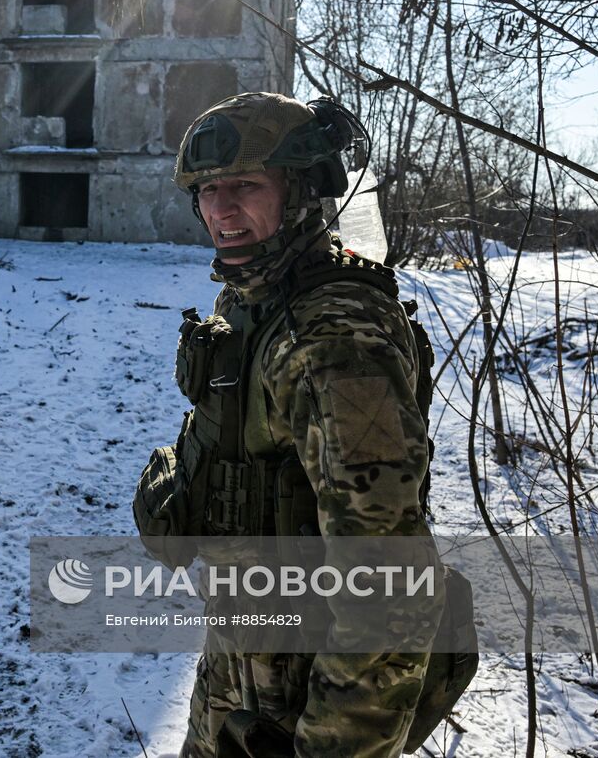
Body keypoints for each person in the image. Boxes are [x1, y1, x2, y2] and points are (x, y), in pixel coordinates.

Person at [134, 92, 443, 757]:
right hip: (237, 672)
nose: (219, 209)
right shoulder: (256, 302)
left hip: (303, 706)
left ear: (302, 190)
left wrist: (330, 746)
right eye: (209, 189)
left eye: (244, 185)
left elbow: (389, 586)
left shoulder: (331, 339)